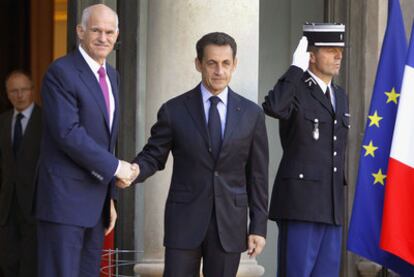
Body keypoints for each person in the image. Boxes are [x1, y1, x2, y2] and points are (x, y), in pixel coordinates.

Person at [120, 32, 269, 276]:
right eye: (212, 63)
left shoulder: (252, 115)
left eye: (225, 63)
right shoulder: (174, 110)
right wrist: (134, 170)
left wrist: (259, 227)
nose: (219, 71)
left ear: (235, 64)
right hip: (184, 221)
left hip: (229, 224)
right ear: (198, 64)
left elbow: (258, 176)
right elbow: (154, 155)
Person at [35, 4, 138, 277]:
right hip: (63, 204)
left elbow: (106, 139)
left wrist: (110, 199)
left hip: (96, 205)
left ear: (117, 35)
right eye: (96, 30)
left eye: (109, 31)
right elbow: (68, 133)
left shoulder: (113, 76)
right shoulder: (61, 72)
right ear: (80, 31)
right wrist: (117, 168)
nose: (103, 37)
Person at [263, 23, 349, 277]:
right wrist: (295, 69)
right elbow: (274, 107)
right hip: (300, 204)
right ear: (311, 55)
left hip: (331, 205)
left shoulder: (340, 95)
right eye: (330, 50)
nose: (338, 56)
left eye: (340, 50)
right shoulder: (296, 88)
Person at [0, 70, 40, 277]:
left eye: (24, 89)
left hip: (36, 206)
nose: (20, 95)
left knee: (31, 265)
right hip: (7, 207)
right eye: (14, 91)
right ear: (7, 94)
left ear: (32, 91)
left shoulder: (46, 122)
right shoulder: (3, 122)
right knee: (8, 262)